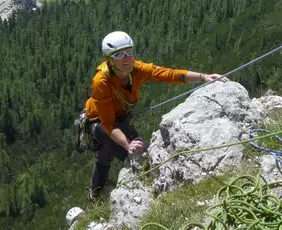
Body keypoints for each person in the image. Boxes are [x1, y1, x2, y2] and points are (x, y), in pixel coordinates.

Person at [85, 30, 229, 201]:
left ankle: (94, 196)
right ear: (109, 59)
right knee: (133, 153)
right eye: (119, 54)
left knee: (106, 155)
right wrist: (127, 144)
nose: (126, 58)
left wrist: (203, 77)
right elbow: (108, 124)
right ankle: (113, 196)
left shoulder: (137, 69)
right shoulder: (101, 82)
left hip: (119, 119)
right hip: (99, 122)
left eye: (129, 52)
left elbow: (168, 74)